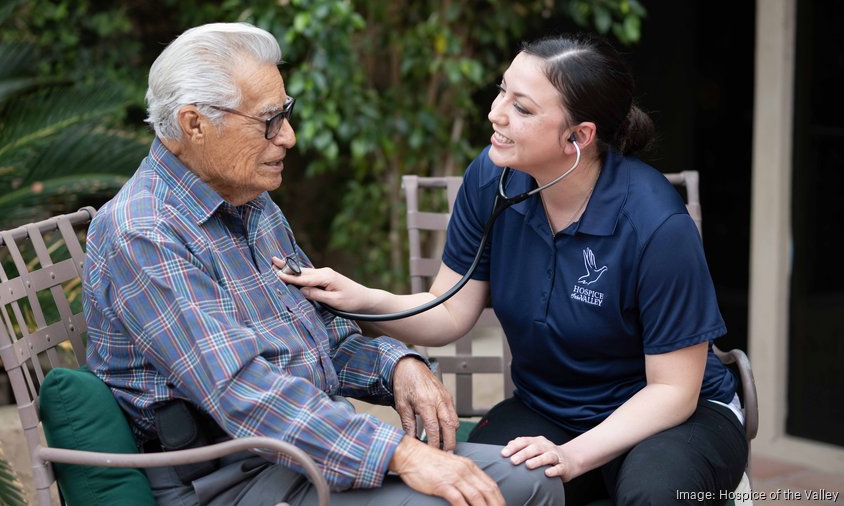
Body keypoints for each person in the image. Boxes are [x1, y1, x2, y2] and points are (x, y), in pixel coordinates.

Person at [82, 22, 563, 506]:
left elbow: (320, 340)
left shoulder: (250, 203)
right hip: (226, 476)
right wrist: (403, 454)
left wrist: (398, 365)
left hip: (298, 453)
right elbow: (243, 392)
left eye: (285, 114)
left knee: (536, 479)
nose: (288, 137)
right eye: (268, 120)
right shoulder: (143, 233)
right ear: (194, 125)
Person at [277, 33, 748, 505]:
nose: (495, 113)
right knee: (469, 490)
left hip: (673, 418)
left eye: (522, 108)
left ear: (578, 136)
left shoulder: (656, 224)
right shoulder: (492, 178)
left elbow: (673, 390)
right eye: (502, 90)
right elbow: (448, 312)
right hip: (549, 409)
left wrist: (572, 456)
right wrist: (361, 298)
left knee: (654, 496)